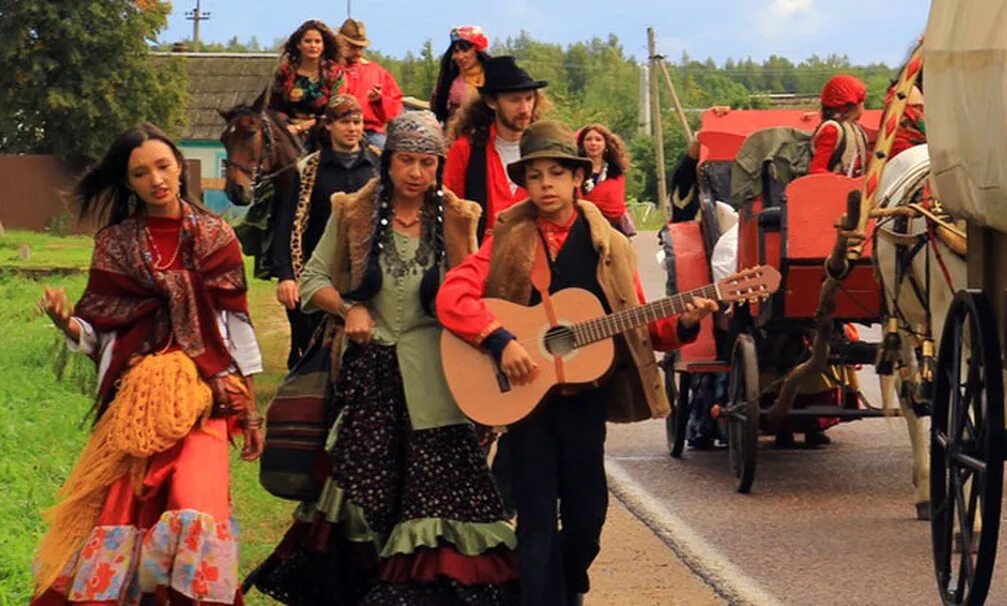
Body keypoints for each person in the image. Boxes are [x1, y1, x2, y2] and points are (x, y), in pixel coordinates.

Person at [437, 120, 717, 606]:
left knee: (588, 517)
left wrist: (685, 323)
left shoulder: (611, 243)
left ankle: (568, 583)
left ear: (576, 179)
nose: (546, 184)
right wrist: (501, 340)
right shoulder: (506, 238)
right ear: (524, 183)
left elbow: (640, 323)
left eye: (556, 173)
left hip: (586, 401)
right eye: (536, 175)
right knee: (537, 517)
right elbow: (452, 297)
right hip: (529, 403)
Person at [246, 111, 516, 604]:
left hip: (440, 380)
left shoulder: (459, 217)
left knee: (441, 496)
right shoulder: (353, 210)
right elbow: (311, 282)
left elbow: (475, 294)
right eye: (407, 161)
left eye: (428, 163)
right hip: (371, 378)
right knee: (364, 493)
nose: (417, 173)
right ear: (387, 160)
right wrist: (350, 308)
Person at [30, 123, 264, 605]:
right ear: (128, 182)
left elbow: (236, 325)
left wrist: (250, 406)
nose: (156, 179)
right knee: (126, 513)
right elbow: (99, 332)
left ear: (179, 165)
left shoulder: (216, 235)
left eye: (162, 166)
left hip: (205, 395)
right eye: (141, 173)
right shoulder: (115, 244)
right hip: (136, 403)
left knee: (195, 503)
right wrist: (66, 322)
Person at [269, 94, 380, 368]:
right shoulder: (307, 169)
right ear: (329, 125)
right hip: (319, 274)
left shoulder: (379, 164)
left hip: (368, 273)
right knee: (314, 353)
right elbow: (287, 223)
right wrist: (286, 275)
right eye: (344, 122)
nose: (352, 128)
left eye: (357, 121)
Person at [446, 55, 549, 241]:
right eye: (514, 100)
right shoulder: (465, 150)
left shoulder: (546, 150)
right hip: (480, 262)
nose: (525, 109)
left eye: (529, 98)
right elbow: (451, 212)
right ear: (492, 102)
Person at [269, 20, 347, 138]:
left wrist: (301, 127)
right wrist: (286, 127)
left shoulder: (334, 73)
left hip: (325, 132)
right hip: (288, 132)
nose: (313, 46)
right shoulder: (285, 72)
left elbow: (336, 110)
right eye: (308, 41)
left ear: (323, 45)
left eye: (317, 41)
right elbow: (274, 107)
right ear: (298, 45)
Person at [334, 18, 403, 149]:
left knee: (387, 160)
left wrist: (380, 100)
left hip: (370, 133)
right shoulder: (329, 70)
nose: (358, 52)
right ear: (339, 43)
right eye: (352, 47)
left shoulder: (377, 72)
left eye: (361, 48)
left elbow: (396, 107)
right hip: (333, 131)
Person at [577, 124, 636, 236]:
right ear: (582, 144)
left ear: (606, 145)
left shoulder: (615, 171)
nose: (593, 143)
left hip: (611, 229)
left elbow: (616, 204)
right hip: (580, 228)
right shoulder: (574, 171)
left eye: (598, 139)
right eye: (588, 139)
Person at [809, 74, 871, 177]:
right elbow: (816, 170)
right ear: (851, 106)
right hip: (832, 190)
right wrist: (840, 182)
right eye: (862, 102)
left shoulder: (857, 131)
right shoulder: (832, 130)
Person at [431, 25, 491, 125]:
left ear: (477, 50)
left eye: (465, 50)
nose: (460, 56)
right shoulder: (448, 79)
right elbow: (437, 108)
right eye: (456, 51)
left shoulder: (493, 77)